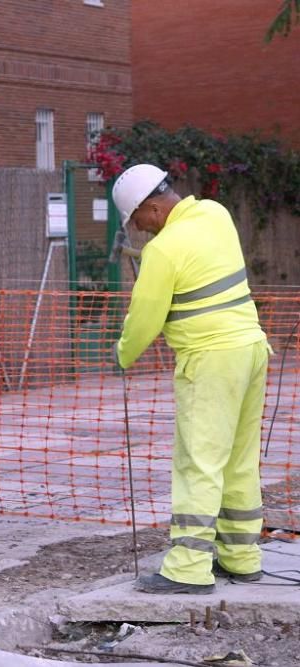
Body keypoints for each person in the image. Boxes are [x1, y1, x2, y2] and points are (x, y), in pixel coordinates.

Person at [111, 164, 270, 595]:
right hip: (252, 350)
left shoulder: (163, 250)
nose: (139, 230)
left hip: (210, 360)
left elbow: (144, 318)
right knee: (239, 460)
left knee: (198, 463)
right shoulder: (216, 214)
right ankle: (241, 557)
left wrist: (123, 354)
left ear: (153, 208)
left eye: (137, 219)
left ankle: (187, 568)